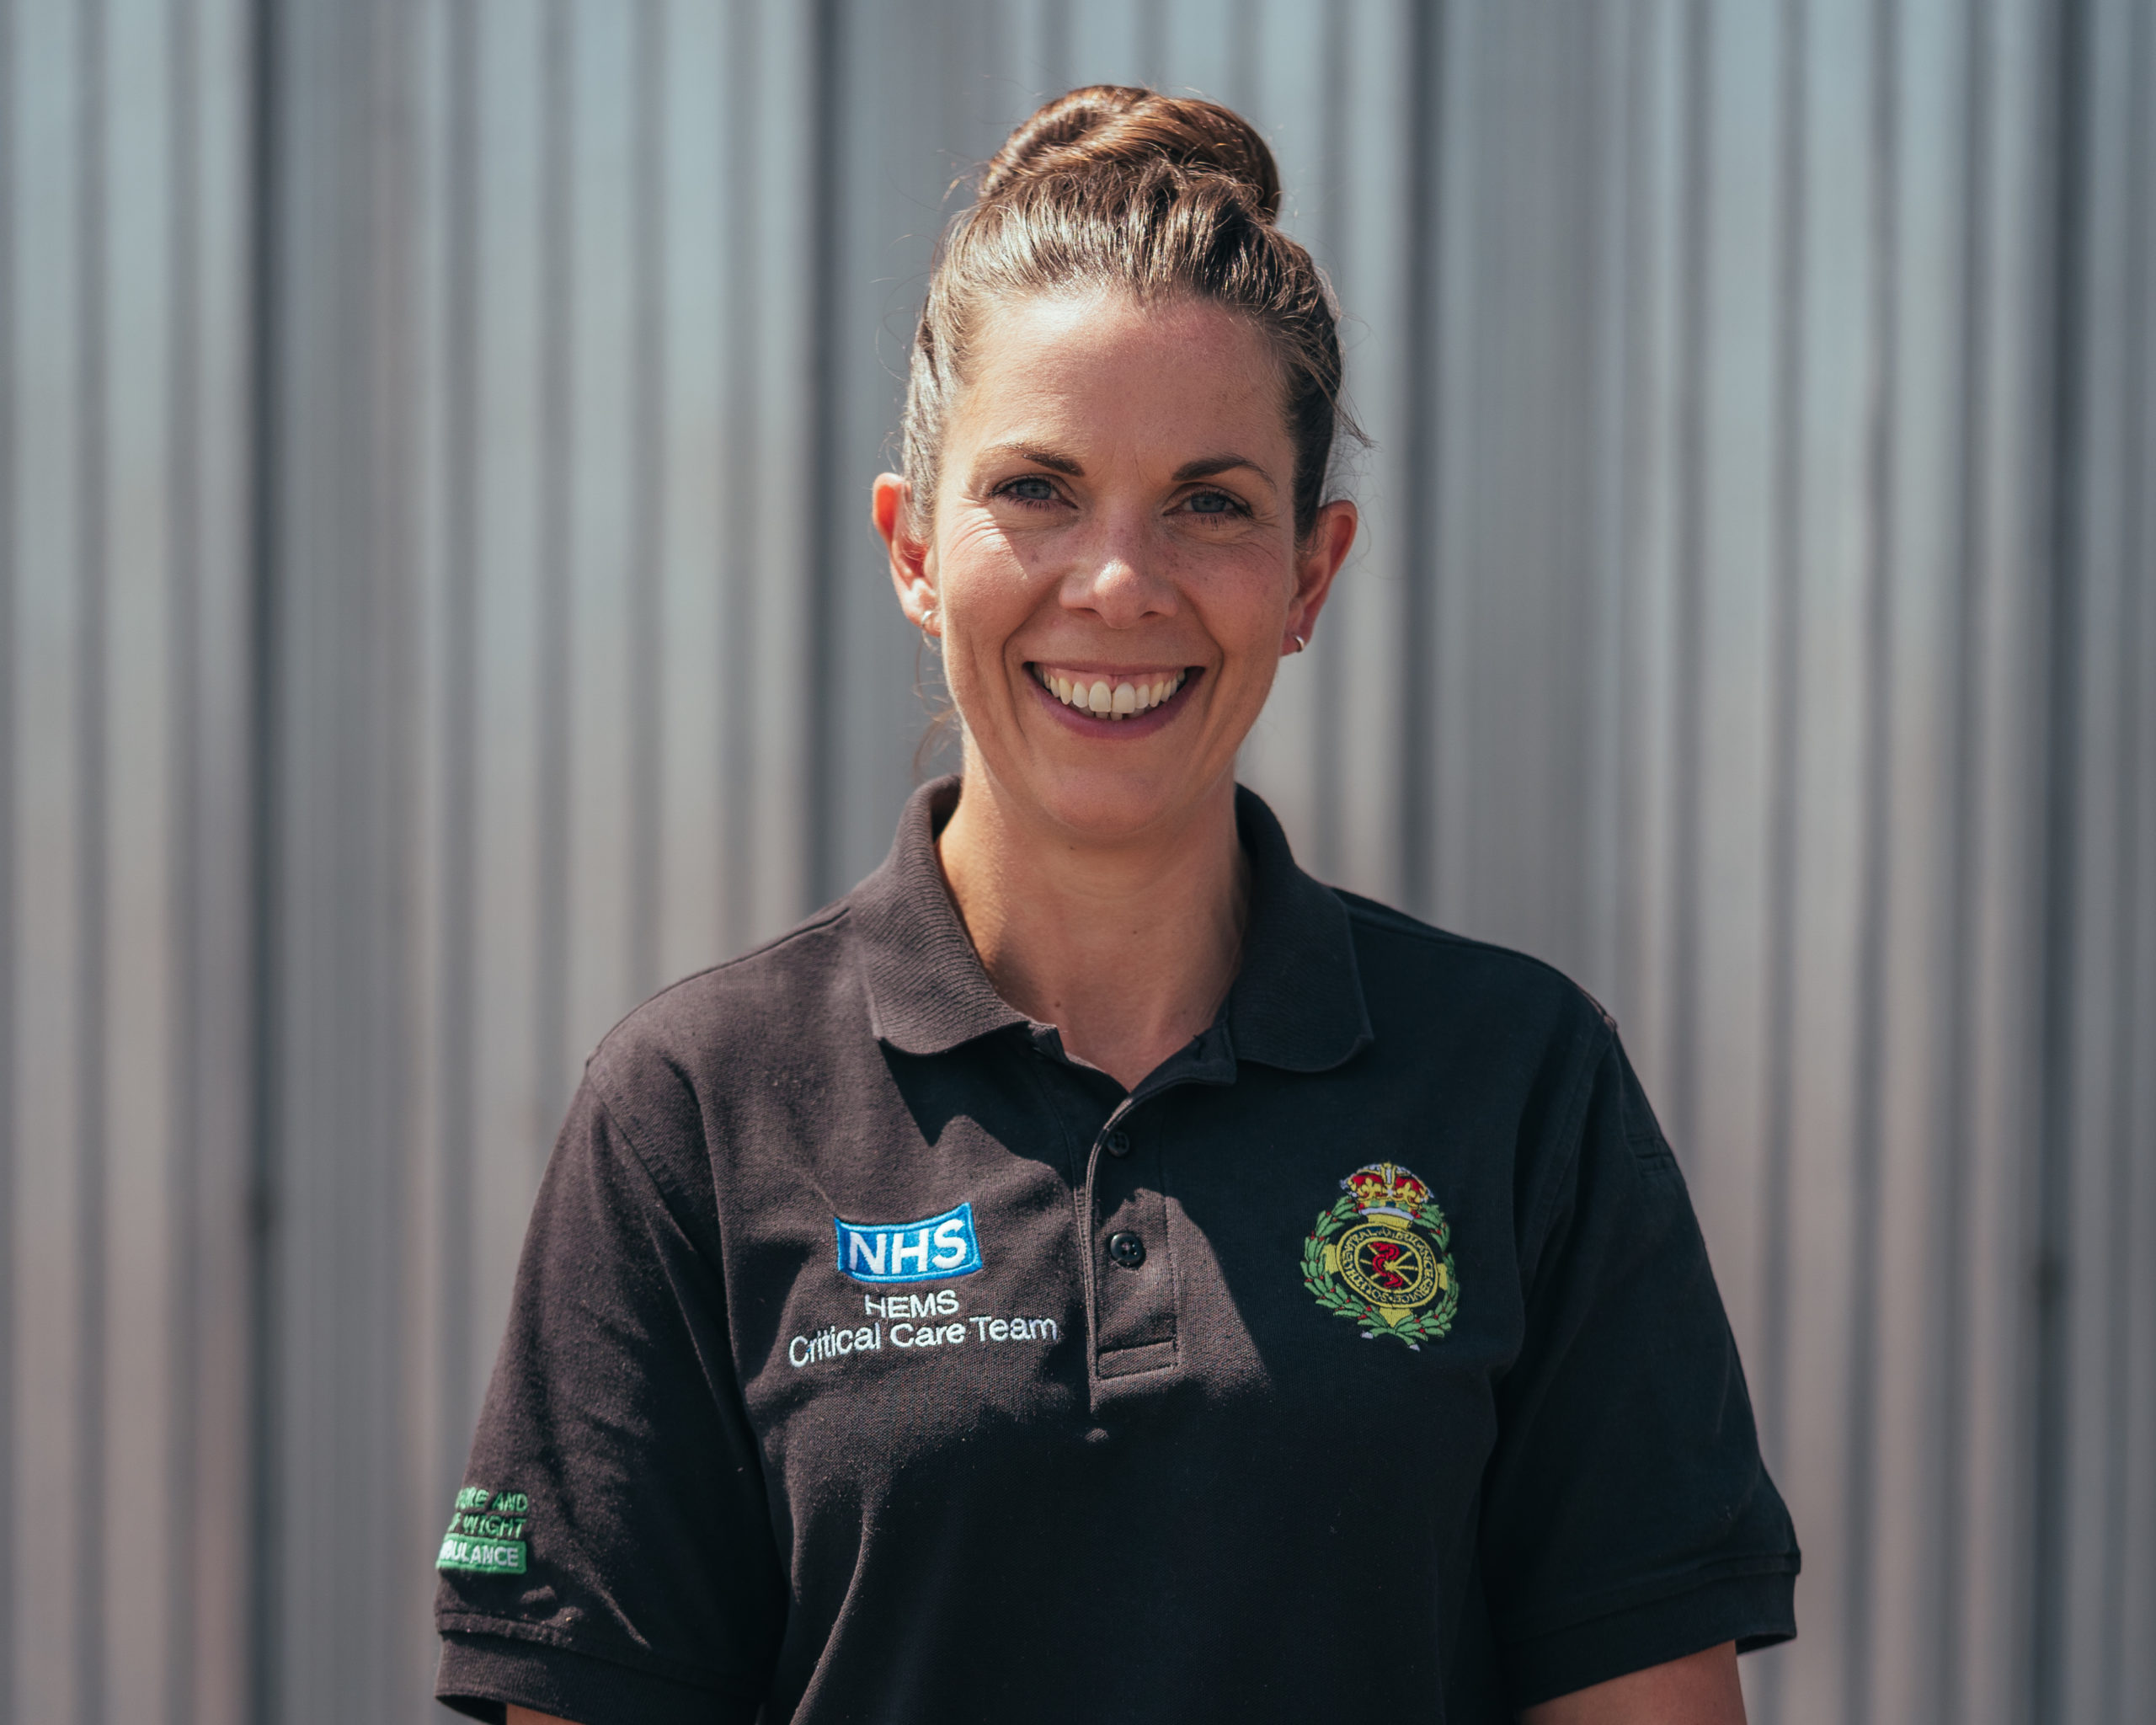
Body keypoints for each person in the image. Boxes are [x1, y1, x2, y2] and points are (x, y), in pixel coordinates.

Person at [433, 87, 1797, 1725]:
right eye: (1036, 489)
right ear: (913, 547)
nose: (1116, 582)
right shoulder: (695, 1111)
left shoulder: (1516, 1088)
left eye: (1210, 503)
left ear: (1309, 572)